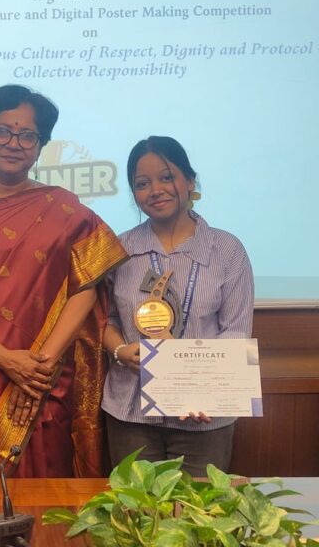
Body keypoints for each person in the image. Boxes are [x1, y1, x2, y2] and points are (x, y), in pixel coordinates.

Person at [0, 85, 127, 478]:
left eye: (27, 136)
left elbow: (85, 288)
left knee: (48, 481)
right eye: (2, 131)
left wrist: (40, 368)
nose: (13, 143)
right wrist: (4, 358)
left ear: (40, 146)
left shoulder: (66, 208)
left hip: (44, 376)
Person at [102, 135, 254, 476]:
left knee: (197, 508)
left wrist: (202, 392)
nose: (155, 190)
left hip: (203, 416)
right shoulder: (118, 250)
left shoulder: (227, 250)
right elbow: (104, 320)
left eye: (166, 177)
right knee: (136, 507)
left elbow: (235, 330)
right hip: (131, 411)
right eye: (142, 183)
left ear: (190, 181)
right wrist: (120, 351)